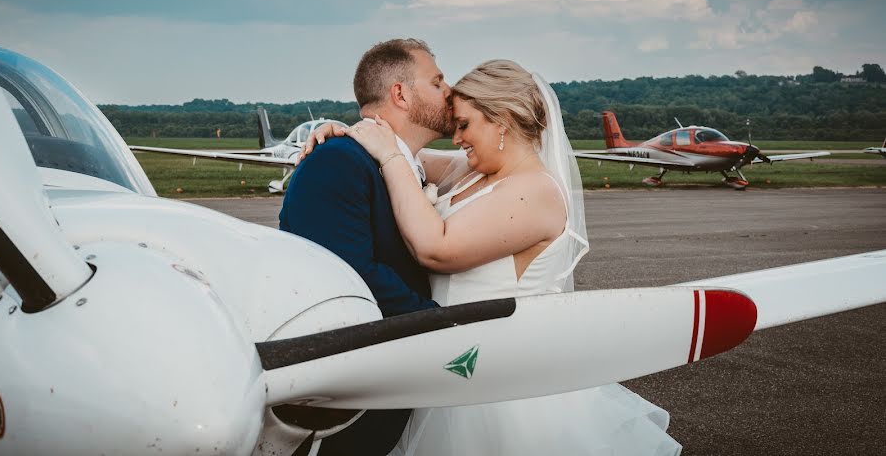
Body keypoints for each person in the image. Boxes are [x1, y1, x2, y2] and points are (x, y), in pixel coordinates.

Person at [335, 59, 682, 456]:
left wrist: (390, 159)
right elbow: (400, 151)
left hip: (500, 386)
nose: (457, 138)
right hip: (452, 366)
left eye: (464, 124)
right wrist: (347, 136)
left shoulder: (536, 192)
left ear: (501, 120)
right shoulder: (471, 172)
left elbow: (437, 247)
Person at [279, 38, 455, 456]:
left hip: (394, 387)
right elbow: (348, 274)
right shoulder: (337, 159)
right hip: (347, 404)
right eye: (437, 81)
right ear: (400, 93)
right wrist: (446, 326)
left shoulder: (401, 164)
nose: (449, 92)